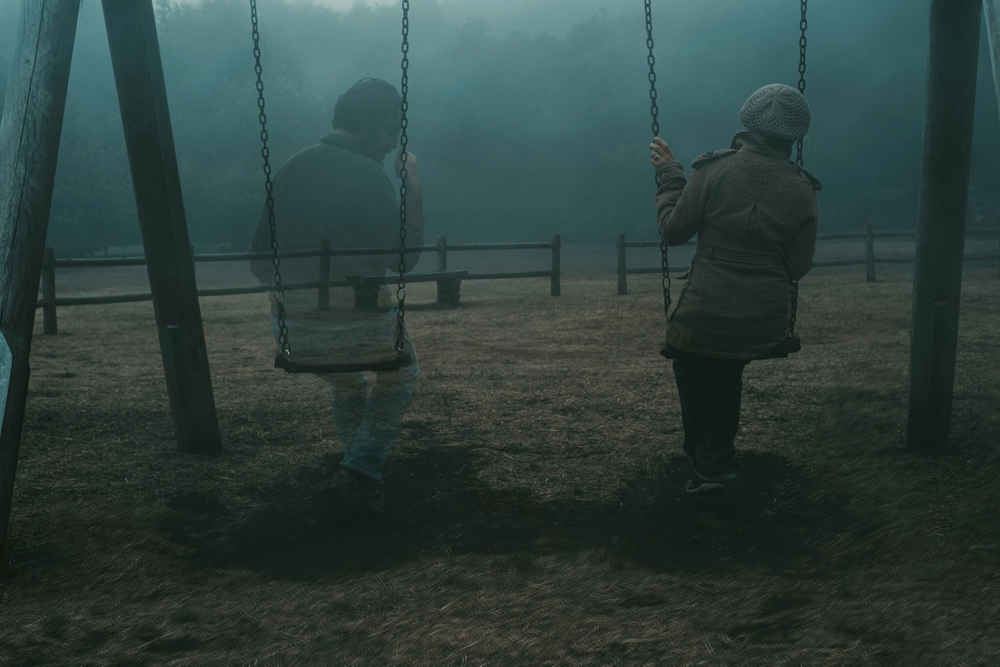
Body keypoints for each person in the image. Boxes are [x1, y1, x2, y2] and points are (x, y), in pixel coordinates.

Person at [249, 77, 425, 514]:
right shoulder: (371, 176)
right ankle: (362, 469)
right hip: (362, 328)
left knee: (348, 383)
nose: (391, 143)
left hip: (295, 330)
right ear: (367, 124)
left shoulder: (293, 165)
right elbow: (406, 261)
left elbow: (258, 262)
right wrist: (414, 184)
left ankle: (356, 478)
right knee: (402, 373)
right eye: (390, 130)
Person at [648, 83, 820, 496]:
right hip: (760, 316)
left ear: (748, 121)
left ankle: (706, 458)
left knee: (690, 366)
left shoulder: (715, 170)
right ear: (794, 136)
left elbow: (674, 232)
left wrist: (670, 175)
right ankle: (713, 460)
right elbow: (798, 266)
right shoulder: (802, 189)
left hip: (704, 308)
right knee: (726, 375)